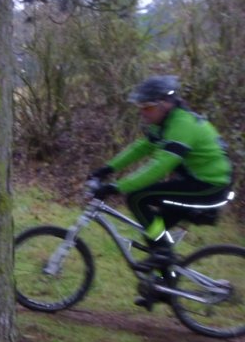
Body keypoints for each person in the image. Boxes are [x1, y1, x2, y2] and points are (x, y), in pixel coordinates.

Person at [89, 75, 232, 268]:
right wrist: (106, 169)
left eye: (147, 107)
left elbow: (158, 168)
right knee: (155, 232)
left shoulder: (182, 126)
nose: (143, 113)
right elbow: (140, 148)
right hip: (197, 182)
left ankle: (163, 253)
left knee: (137, 198)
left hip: (210, 186)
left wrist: (115, 187)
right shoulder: (166, 123)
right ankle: (162, 287)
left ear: (165, 104)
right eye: (140, 108)